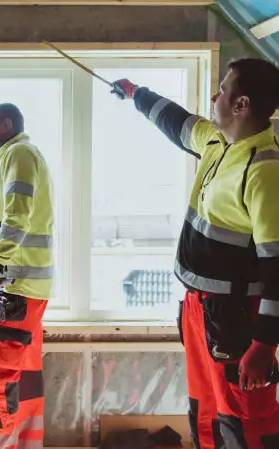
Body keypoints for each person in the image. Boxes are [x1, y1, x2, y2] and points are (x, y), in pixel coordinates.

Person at [111, 58, 279, 449]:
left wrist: (266, 344)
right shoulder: (216, 142)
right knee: (205, 413)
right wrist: (135, 92)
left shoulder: (264, 170)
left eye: (223, 90)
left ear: (242, 105)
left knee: (243, 421)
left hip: (237, 318)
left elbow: (277, 268)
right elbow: (175, 121)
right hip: (199, 310)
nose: (215, 96)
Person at [0, 103, 55, 449]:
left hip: (17, 287)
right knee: (24, 377)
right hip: (24, 288)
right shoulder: (18, 155)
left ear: (6, 125)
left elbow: (17, 215)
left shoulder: (18, 153)